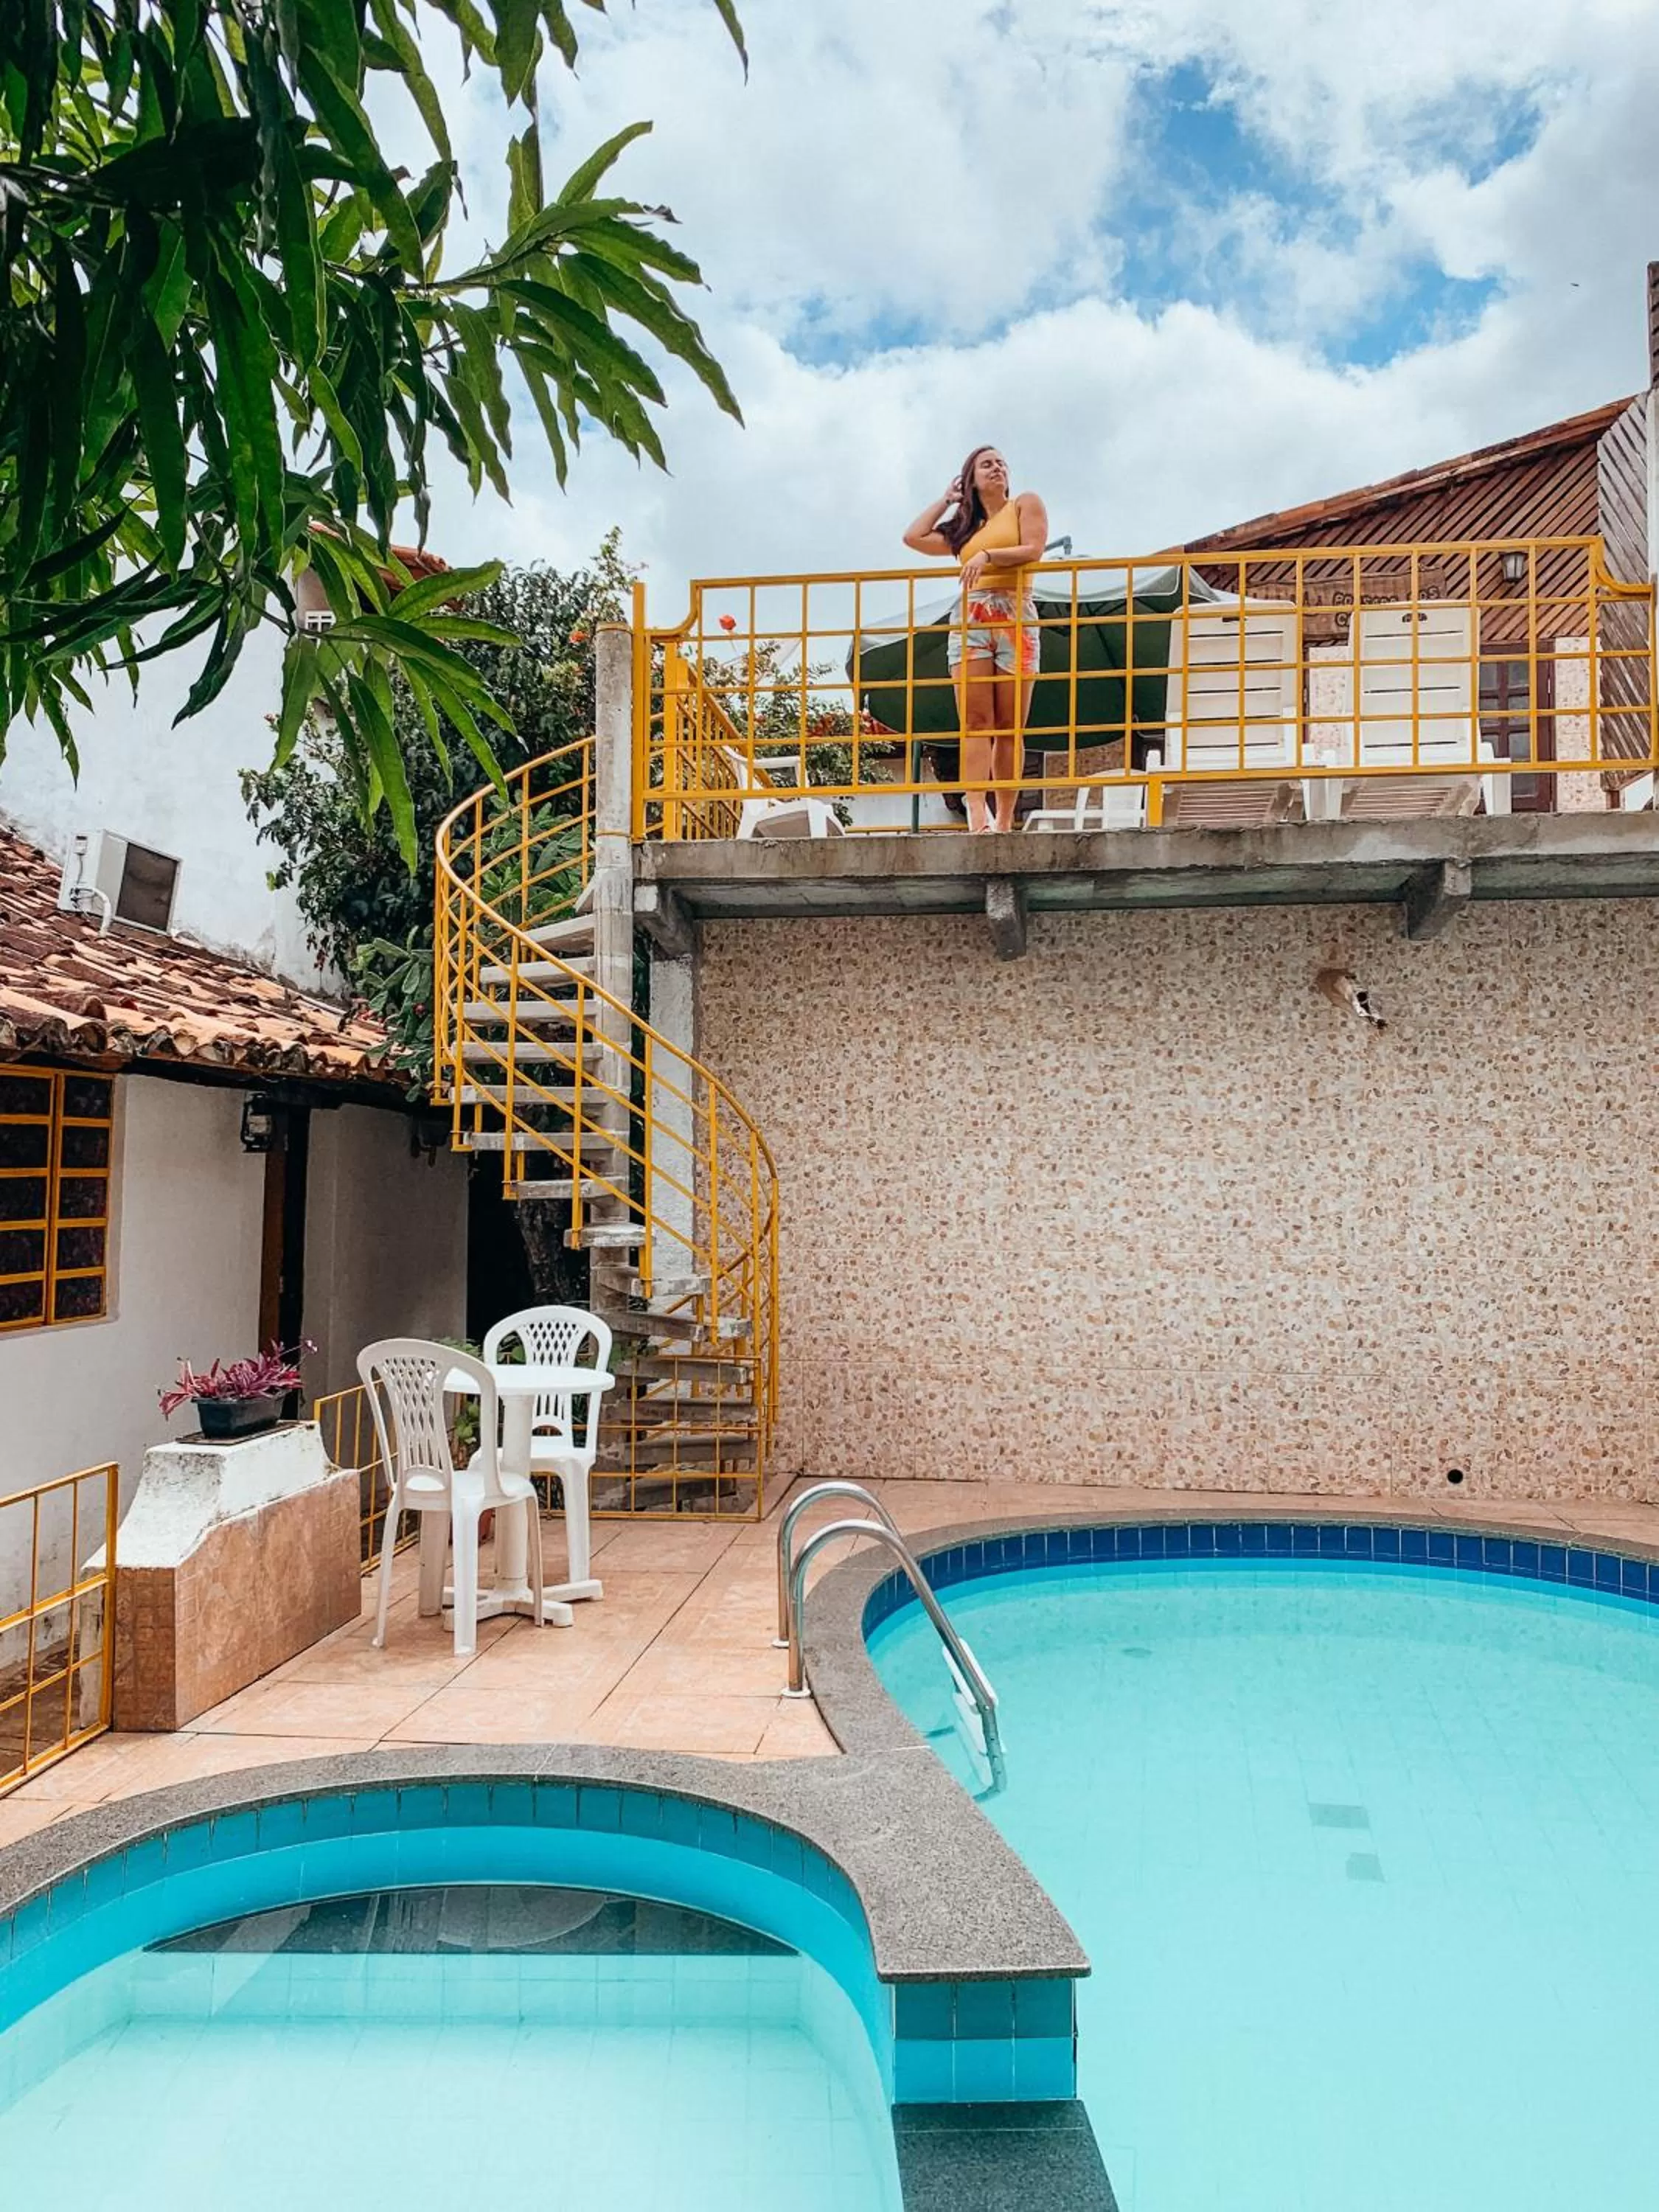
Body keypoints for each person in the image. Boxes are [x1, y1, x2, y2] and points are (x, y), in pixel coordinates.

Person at [904, 447, 1049, 832]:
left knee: (1009, 726)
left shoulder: (1024, 504)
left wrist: (986, 555)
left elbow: (1033, 550)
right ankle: (975, 810)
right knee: (976, 722)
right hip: (972, 617)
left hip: (1015, 614)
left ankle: (1004, 818)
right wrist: (947, 500)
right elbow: (913, 537)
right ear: (970, 478)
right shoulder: (963, 528)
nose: (997, 468)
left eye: (1002, 462)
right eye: (987, 464)